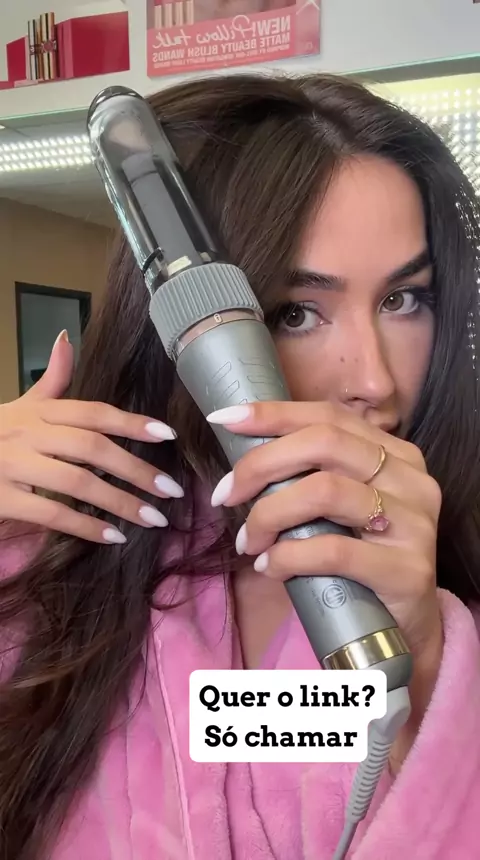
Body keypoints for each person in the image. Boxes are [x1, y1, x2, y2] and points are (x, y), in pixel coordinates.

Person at [0, 73, 479, 860]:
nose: (375, 381)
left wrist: (425, 659)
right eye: (296, 312)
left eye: (404, 300)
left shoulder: (448, 600)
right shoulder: (50, 564)